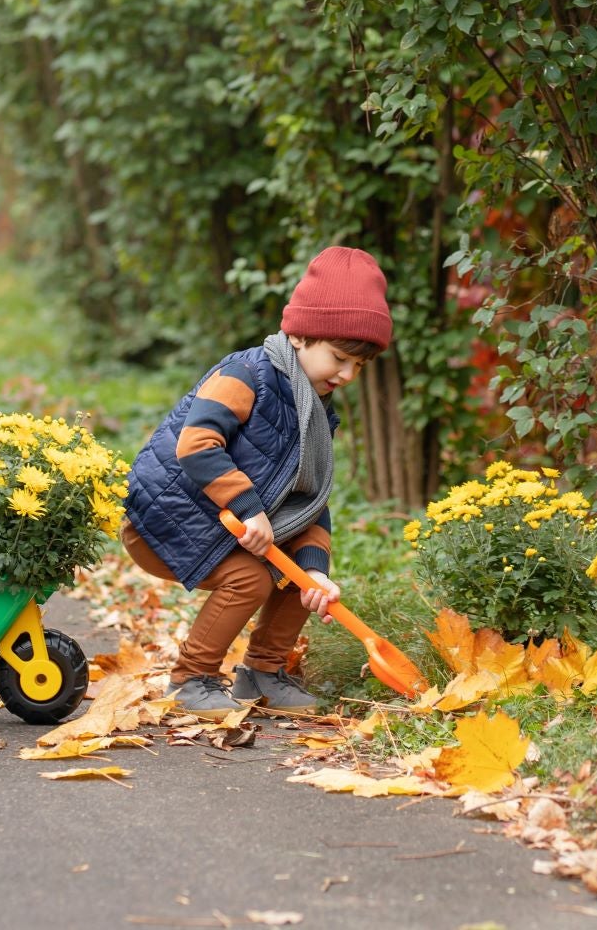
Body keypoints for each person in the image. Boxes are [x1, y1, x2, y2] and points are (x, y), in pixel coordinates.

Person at [119, 246, 392, 718]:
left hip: (229, 528)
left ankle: (262, 674)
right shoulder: (245, 375)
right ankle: (190, 679)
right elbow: (196, 444)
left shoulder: (315, 411)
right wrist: (249, 506)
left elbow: (310, 500)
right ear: (302, 335)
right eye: (341, 358)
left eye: (360, 367)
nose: (348, 375)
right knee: (249, 580)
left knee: (297, 578)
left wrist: (316, 570)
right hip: (167, 519)